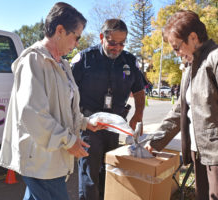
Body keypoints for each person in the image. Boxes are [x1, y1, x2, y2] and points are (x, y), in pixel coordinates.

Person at [145, 10, 218, 200]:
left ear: (193, 37)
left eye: (177, 47)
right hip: (201, 155)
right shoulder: (190, 69)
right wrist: (155, 142)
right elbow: (179, 112)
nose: (177, 54)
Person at [0, 3, 105, 200]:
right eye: (77, 36)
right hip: (41, 159)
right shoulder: (33, 60)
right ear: (60, 30)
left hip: (52, 156)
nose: (77, 43)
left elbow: (63, 107)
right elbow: (33, 113)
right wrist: (70, 141)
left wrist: (84, 122)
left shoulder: (62, 64)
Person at [71, 19, 145, 200]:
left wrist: (138, 114)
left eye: (121, 43)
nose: (117, 48)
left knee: (110, 170)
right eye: (112, 43)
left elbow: (139, 91)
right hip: (90, 126)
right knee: (89, 174)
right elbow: (68, 92)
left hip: (115, 126)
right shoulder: (85, 59)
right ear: (102, 37)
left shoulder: (129, 61)